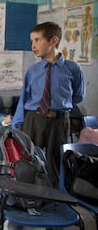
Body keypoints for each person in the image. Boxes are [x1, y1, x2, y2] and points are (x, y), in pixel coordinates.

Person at [12, 21, 85, 188]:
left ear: (53, 41)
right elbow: (24, 99)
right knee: (29, 159)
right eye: (32, 41)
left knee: (56, 162)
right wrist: (18, 123)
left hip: (59, 121)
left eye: (37, 40)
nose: (33, 45)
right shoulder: (33, 71)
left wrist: (60, 105)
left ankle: (53, 199)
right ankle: (30, 197)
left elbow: (78, 95)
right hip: (34, 119)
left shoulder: (72, 68)